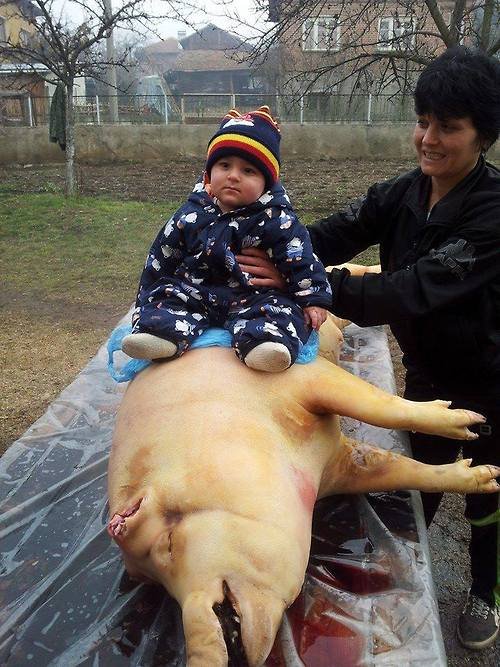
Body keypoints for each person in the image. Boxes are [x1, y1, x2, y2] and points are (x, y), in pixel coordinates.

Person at [237, 47, 500, 649]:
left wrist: (308, 284)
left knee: (488, 492)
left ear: (483, 136)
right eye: (423, 121)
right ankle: (406, 578)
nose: (428, 139)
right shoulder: (405, 193)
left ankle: (486, 591)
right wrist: (254, 242)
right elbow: (333, 233)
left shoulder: (492, 214)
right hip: (429, 374)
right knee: (420, 484)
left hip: (492, 380)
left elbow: (409, 292)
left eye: (448, 127)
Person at [122, 106, 330, 373]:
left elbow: (301, 257)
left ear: (267, 184)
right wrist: (146, 298)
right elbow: (162, 256)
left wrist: (313, 298)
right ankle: (158, 335)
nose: (233, 175)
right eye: (224, 165)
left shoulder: (277, 219)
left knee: (280, 312)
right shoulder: (191, 214)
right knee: (167, 297)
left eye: (248, 171)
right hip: (193, 292)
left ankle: (266, 346)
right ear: (208, 173)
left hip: (252, 297)